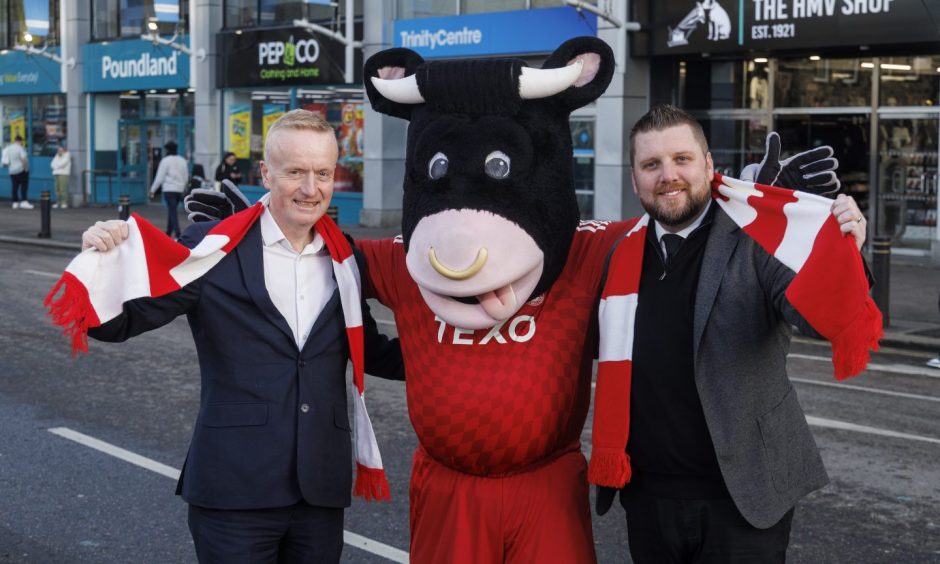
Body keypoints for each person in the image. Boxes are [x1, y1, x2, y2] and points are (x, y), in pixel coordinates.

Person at [72, 110, 404, 563]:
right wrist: (100, 258)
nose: (312, 189)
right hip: (233, 490)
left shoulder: (343, 257)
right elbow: (118, 323)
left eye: (323, 173)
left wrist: (461, 354)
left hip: (319, 494)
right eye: (296, 172)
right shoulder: (213, 248)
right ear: (265, 173)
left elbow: (372, 350)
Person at [593, 105, 870, 563]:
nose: (668, 175)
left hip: (744, 498)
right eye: (651, 164)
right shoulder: (615, 253)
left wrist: (838, 250)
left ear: (707, 165)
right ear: (634, 177)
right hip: (647, 495)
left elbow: (818, 320)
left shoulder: (758, 239)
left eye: (682, 159)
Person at [149, 140, 188, 238]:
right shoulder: (182, 160)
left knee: (172, 211)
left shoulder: (165, 161)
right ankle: (169, 231)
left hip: (168, 189)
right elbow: (186, 176)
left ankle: (178, 232)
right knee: (172, 209)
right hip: (179, 189)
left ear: (167, 150)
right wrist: (183, 187)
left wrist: (152, 190)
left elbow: (159, 177)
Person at [2, 135, 32, 209]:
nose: (22, 142)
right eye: (21, 141)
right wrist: (26, 169)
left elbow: (6, 161)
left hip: (12, 171)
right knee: (24, 186)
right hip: (21, 170)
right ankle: (24, 201)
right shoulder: (20, 148)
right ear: (20, 141)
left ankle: (15, 202)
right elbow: (23, 159)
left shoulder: (8, 148)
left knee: (14, 187)